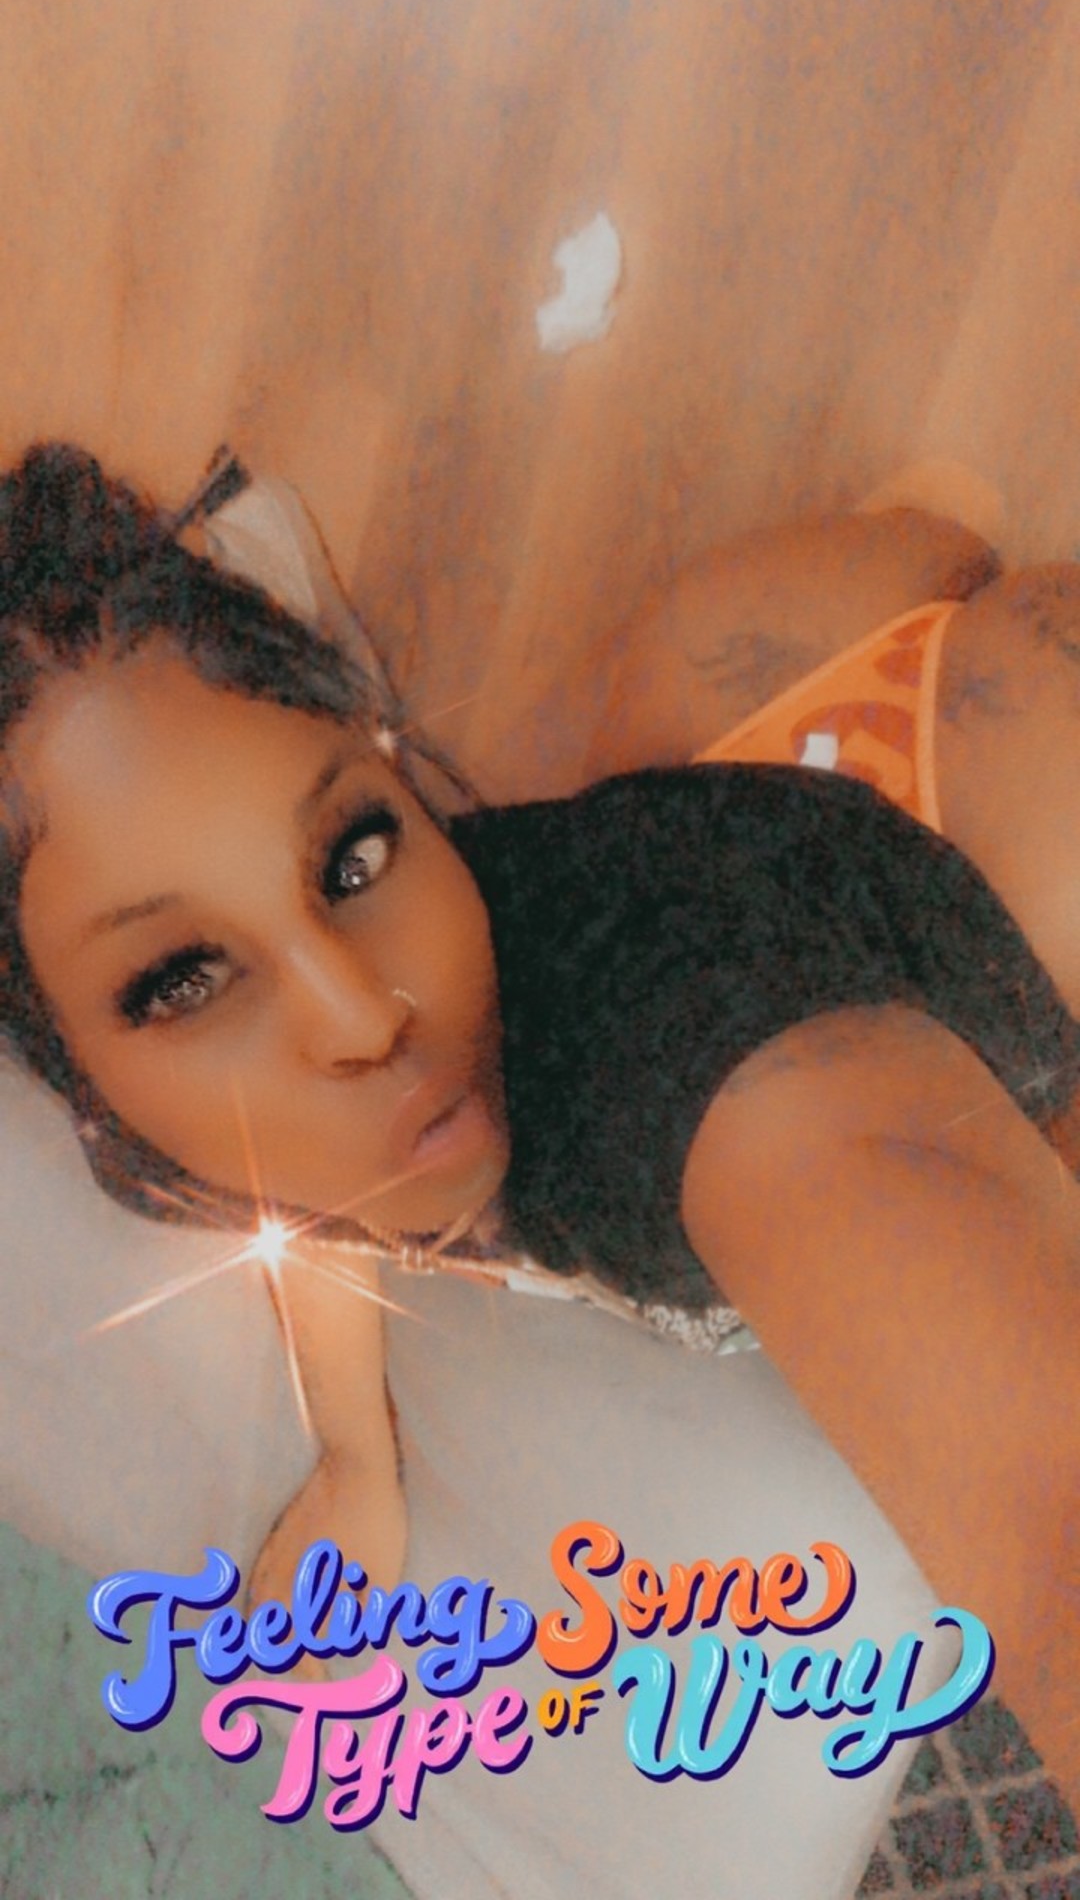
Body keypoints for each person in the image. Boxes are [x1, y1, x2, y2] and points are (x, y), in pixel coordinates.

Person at [1, 442, 1077, 1845]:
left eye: (353, 854)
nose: (363, 1017)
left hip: (999, 829)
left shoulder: (696, 1082)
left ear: (391, 769)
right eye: (186, 980)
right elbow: (311, 1225)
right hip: (752, 768)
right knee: (895, 570)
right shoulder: (201, 1149)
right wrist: (358, 1460)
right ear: (73, 1076)